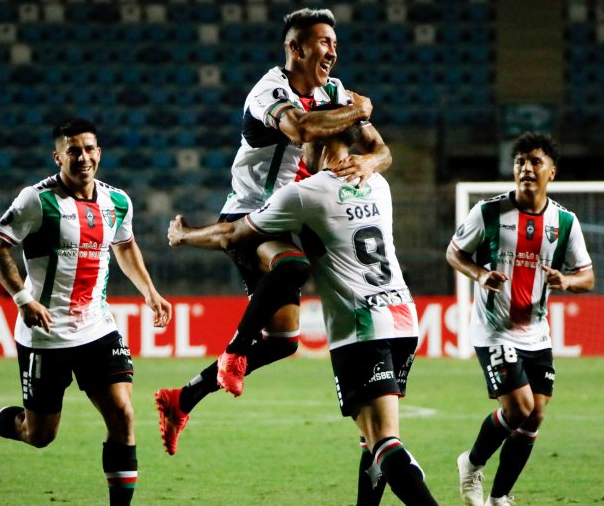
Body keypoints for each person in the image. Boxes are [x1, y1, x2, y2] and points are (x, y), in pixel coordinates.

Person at [155, 7, 391, 456]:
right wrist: (355, 111)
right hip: (247, 216)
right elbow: (301, 130)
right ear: (296, 48)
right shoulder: (268, 92)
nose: (332, 51)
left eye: (334, 44)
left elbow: (381, 150)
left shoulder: (336, 91)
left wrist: (369, 160)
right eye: (323, 42)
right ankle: (234, 352)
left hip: (290, 217)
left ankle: (180, 399)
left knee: (284, 341)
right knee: (292, 265)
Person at [167, 115, 437, 506]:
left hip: (360, 325)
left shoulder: (306, 193)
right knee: (373, 437)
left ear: (318, 142)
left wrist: (185, 234)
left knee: (385, 443)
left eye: (304, 140)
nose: (298, 149)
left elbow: (232, 234)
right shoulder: (377, 182)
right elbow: (377, 149)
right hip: (403, 318)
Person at [0, 118, 172, 506]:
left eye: (89, 149)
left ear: (99, 153)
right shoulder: (36, 200)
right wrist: (24, 300)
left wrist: (150, 292)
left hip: (97, 327)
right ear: (58, 157)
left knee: (122, 414)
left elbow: (125, 246)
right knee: (39, 434)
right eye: (73, 151)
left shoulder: (117, 201)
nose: (83, 157)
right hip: (45, 331)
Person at [446, 132, 595, 506]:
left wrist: (566, 280)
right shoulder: (488, 212)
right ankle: (472, 463)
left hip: (536, 332)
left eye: (535, 162)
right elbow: (454, 253)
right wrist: (480, 275)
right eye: (520, 162)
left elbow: (588, 277)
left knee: (535, 417)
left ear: (552, 172)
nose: (526, 168)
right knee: (518, 409)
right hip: (494, 329)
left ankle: (499, 497)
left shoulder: (565, 222)